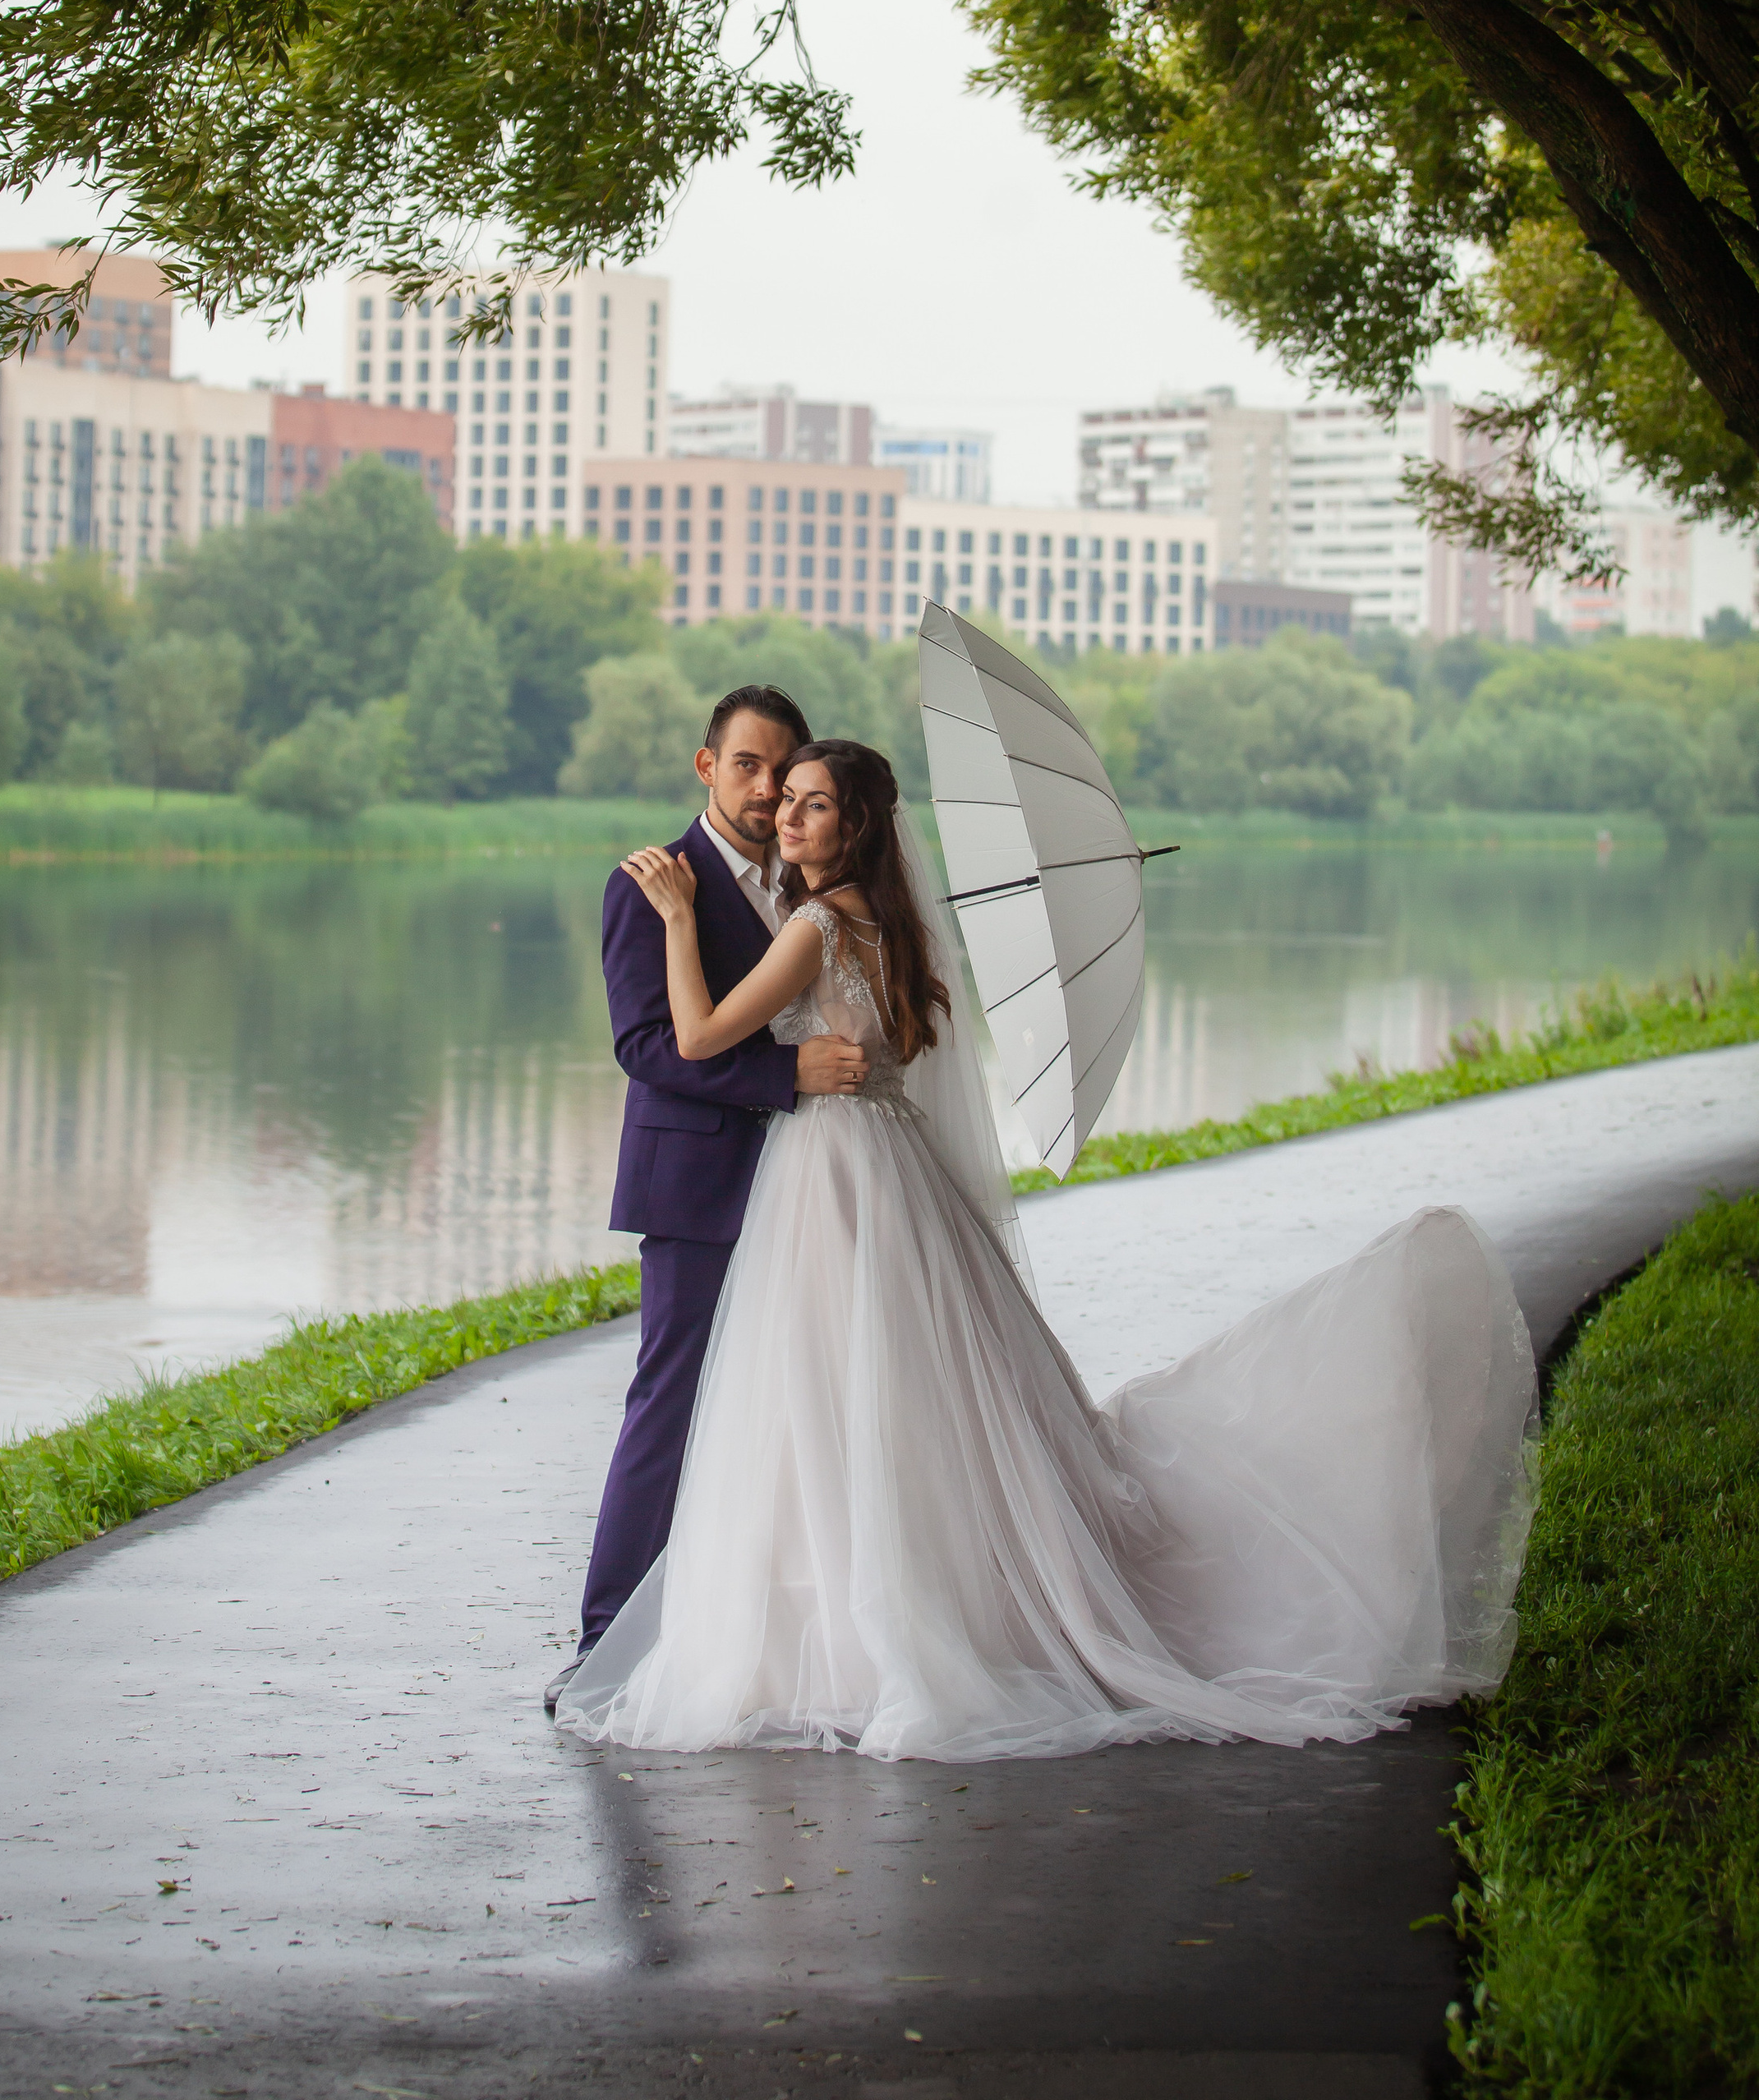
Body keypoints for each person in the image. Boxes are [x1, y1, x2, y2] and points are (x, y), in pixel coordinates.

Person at [557, 736, 1539, 1763]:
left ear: (854, 829)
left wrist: (678, 919)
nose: (787, 818)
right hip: (889, 1170)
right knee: (887, 1393)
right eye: (783, 798)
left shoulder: (810, 924)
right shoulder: (887, 930)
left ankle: (841, 1624)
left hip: (828, 1172)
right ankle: (895, 1602)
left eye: (809, 805)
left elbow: (700, 1034)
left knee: (817, 1392)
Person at [545, 686, 873, 1718]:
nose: (768, 787)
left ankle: (751, 1634)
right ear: (706, 767)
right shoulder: (651, 883)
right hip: (698, 1187)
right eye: (746, 765)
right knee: (672, 1407)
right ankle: (604, 1643)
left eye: (783, 770)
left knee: (793, 1415)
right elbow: (646, 1047)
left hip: (809, 1194)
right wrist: (786, 1078)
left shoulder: (815, 884)